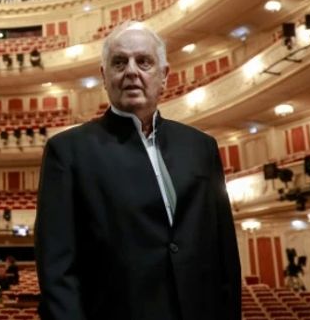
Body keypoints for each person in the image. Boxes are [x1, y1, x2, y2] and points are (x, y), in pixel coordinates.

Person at [35, 21, 241, 320]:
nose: (131, 71)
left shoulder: (201, 147)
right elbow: (57, 271)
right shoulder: (67, 152)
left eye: (144, 61)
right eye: (120, 62)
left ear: (164, 75)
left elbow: (224, 256)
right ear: (105, 77)